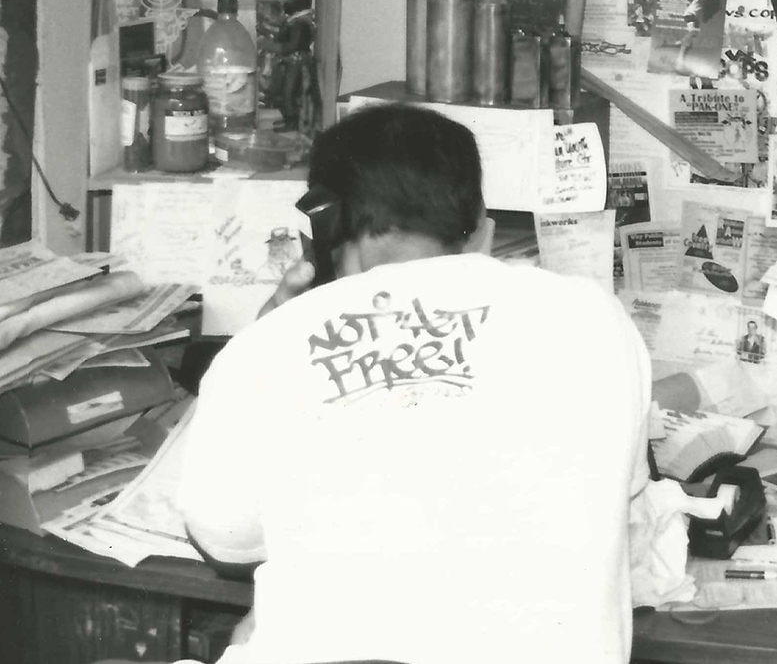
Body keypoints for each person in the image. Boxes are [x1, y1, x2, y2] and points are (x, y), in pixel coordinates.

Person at [174, 104, 651, 664]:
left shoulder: (266, 349)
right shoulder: (594, 319)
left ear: (324, 223)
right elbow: (619, 491)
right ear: (484, 229)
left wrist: (270, 334)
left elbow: (225, 542)